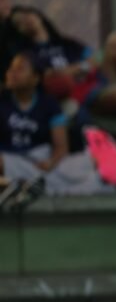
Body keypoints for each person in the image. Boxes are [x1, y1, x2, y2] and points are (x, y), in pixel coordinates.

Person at [0, 53, 68, 198]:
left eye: (20, 69)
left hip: (37, 160)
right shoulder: (2, 100)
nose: (12, 73)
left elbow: (61, 147)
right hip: (7, 158)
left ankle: (20, 186)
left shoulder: (49, 105)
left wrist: (51, 162)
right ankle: (15, 186)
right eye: (11, 69)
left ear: (35, 78)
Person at [8, 6, 89, 77]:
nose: (26, 20)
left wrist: (83, 66)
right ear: (18, 31)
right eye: (19, 22)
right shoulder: (28, 56)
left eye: (26, 14)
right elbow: (50, 75)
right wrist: (84, 66)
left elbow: (95, 56)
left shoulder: (67, 43)